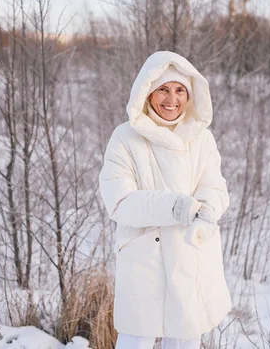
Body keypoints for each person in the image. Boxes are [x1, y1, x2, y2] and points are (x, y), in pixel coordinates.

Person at [99, 50, 231, 349]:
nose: (171, 99)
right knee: (136, 338)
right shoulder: (125, 138)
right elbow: (120, 202)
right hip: (146, 257)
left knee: (185, 337)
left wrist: (209, 208)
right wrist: (175, 206)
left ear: (190, 94)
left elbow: (214, 184)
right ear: (147, 92)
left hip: (190, 253)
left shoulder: (202, 138)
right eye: (163, 89)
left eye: (179, 90)